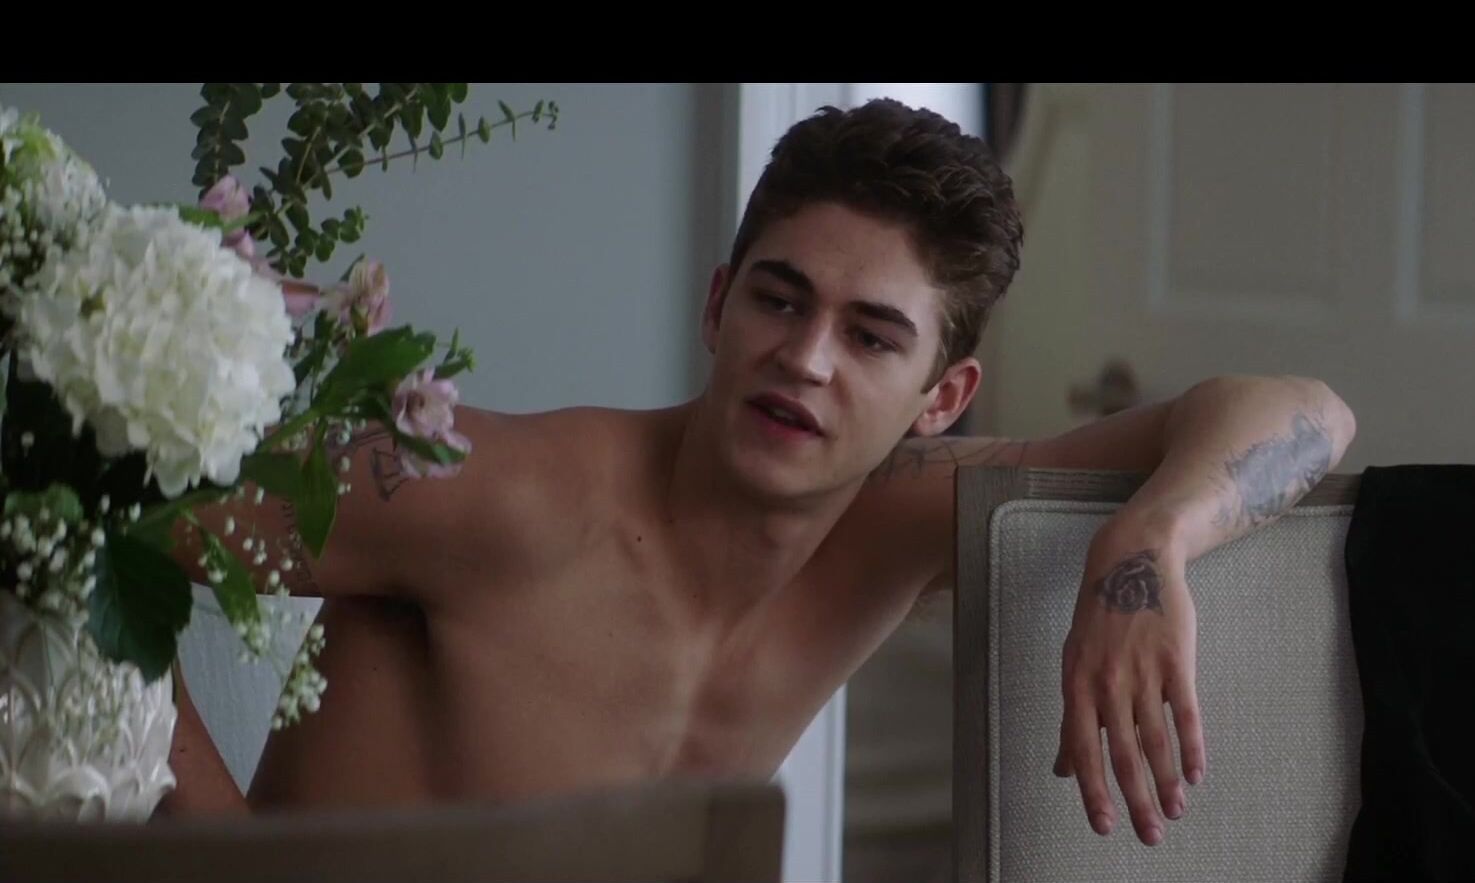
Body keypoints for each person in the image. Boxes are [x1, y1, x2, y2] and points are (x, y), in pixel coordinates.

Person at [157, 98, 1357, 849]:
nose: (806, 357)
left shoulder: (883, 529)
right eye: (780, 301)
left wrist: (1148, 541)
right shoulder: (493, 494)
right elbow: (96, 526)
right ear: (719, 306)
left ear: (941, 399)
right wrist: (222, 855)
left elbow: (1304, 410)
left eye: (871, 337)